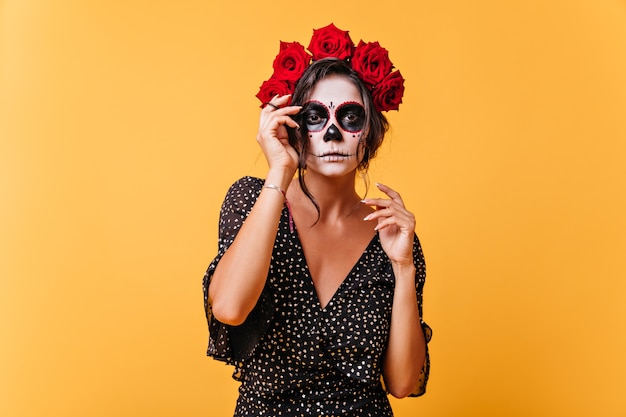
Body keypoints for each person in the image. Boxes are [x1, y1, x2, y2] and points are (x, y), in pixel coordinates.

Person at [203, 24, 431, 417]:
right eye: (313, 117)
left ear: (370, 134)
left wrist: (404, 266)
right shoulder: (252, 200)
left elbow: (402, 382)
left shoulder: (392, 234)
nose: (331, 133)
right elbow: (228, 307)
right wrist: (279, 172)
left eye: (350, 117)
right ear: (292, 126)